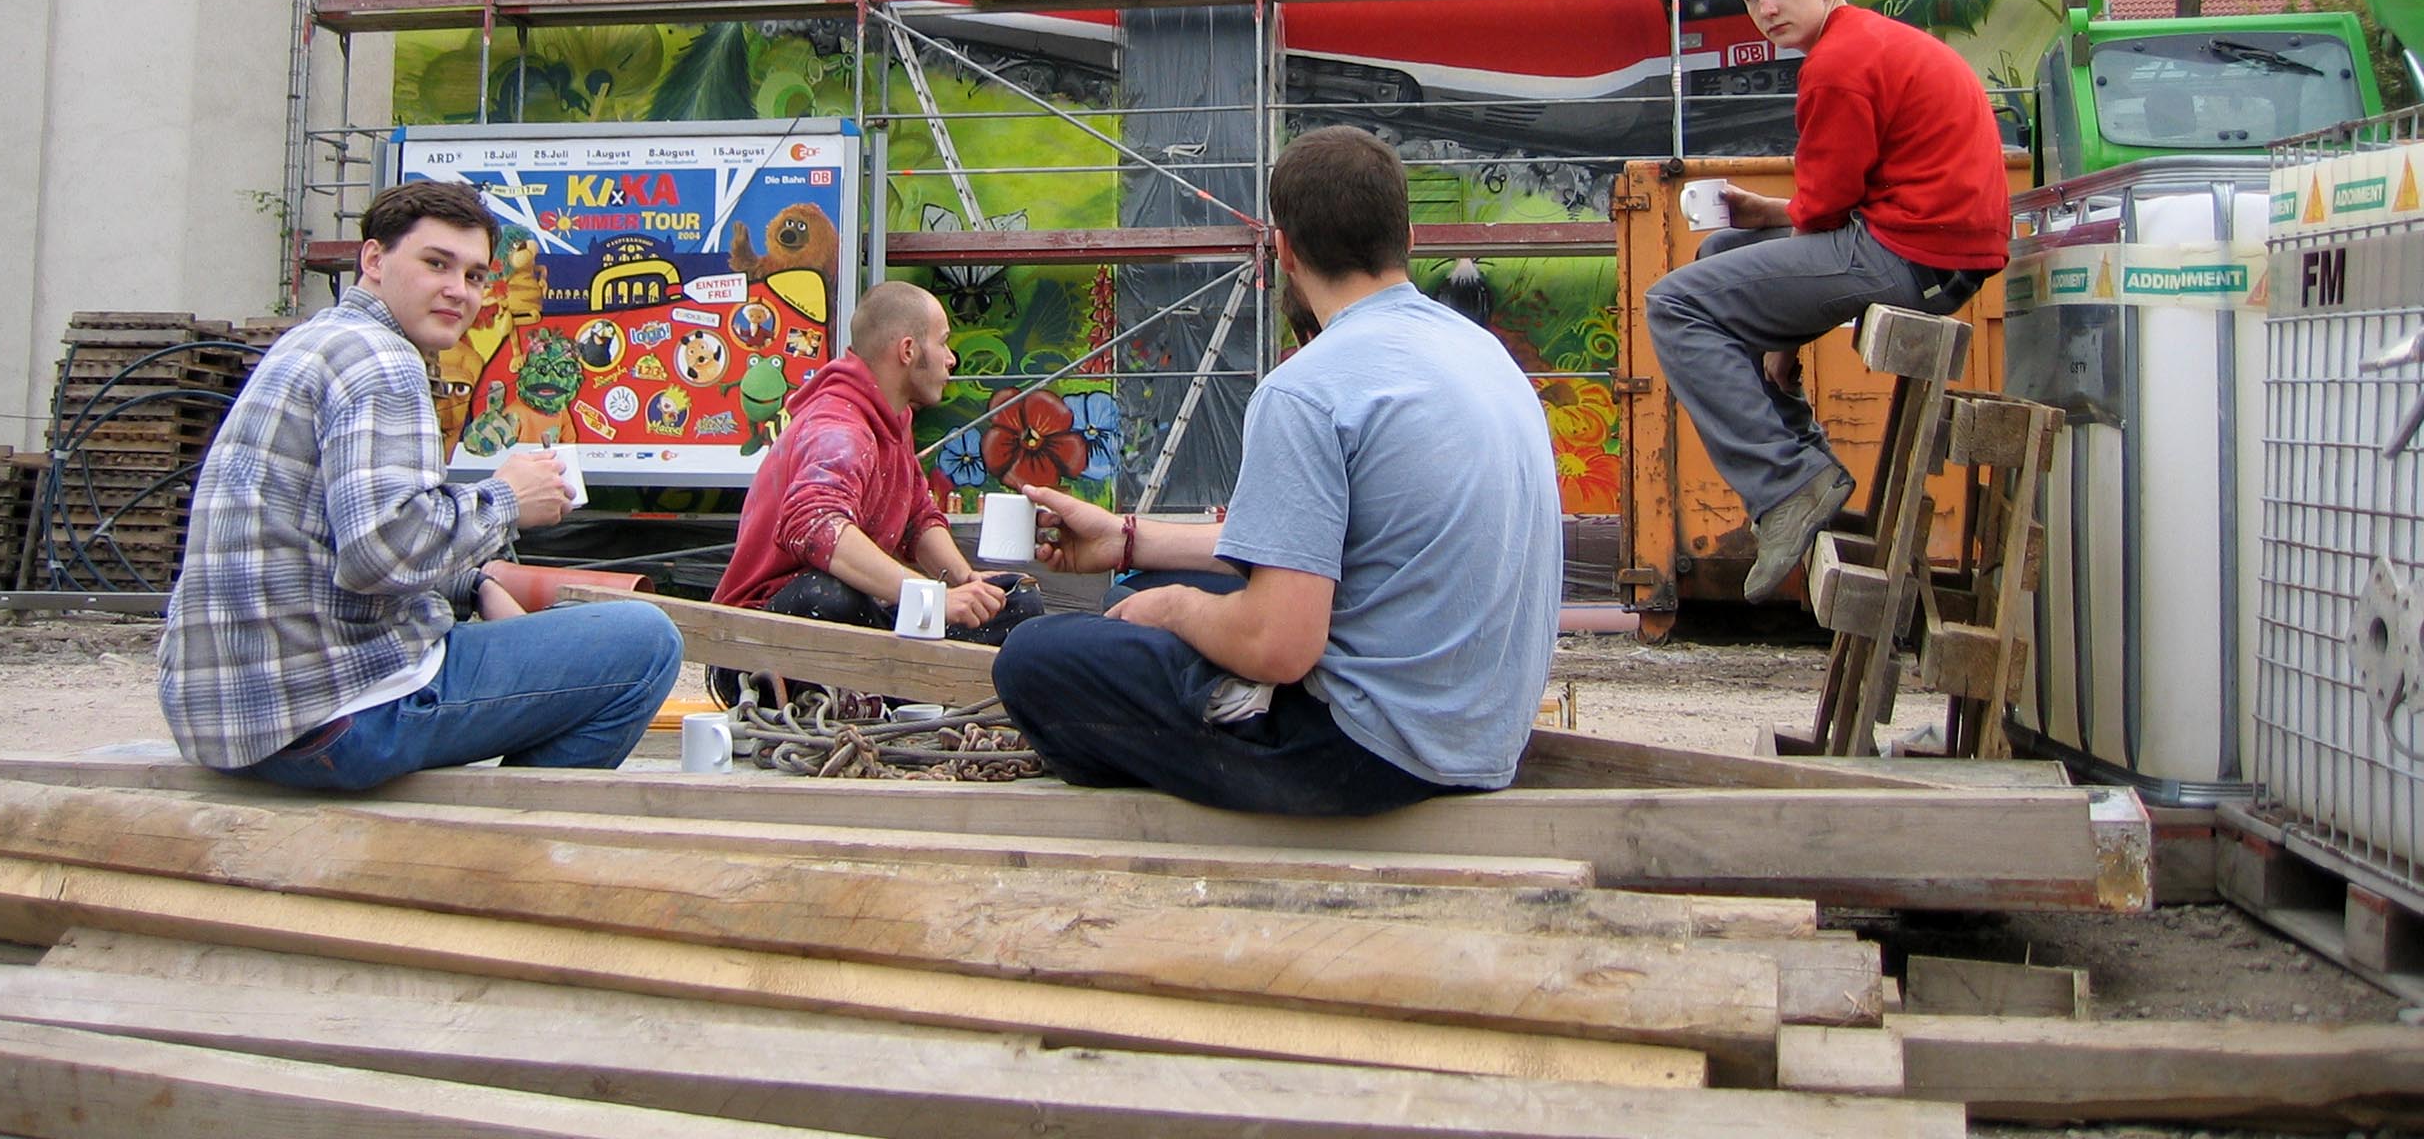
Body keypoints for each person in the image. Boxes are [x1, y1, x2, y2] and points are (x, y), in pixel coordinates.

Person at [992, 126, 1562, 816]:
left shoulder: (1307, 390)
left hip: (1367, 754)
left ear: (1284, 250)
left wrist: (1174, 610)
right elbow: (1324, 542)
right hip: (1479, 736)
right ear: (1408, 239)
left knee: (1032, 657)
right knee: (1142, 585)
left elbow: (1279, 645)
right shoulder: (1485, 356)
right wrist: (1129, 540)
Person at [158, 180, 684, 789]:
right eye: (437, 264)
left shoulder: (313, 343)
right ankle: (510, 834)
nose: (458, 290)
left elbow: (333, 541)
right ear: (374, 259)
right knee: (644, 642)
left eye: (476, 275)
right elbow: (381, 554)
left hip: (236, 720)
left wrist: (472, 583)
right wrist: (507, 499)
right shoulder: (383, 360)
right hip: (336, 719)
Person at [1645, 0, 2011, 603]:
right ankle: (1802, 452)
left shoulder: (1838, 66)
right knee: (1722, 247)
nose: (1766, 9)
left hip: (1915, 257)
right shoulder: (1867, 41)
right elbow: (1834, 203)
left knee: (1674, 303)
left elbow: (1825, 215)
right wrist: (1766, 215)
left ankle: (1788, 484)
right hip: (1930, 247)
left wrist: (1784, 334)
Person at [715, 280, 1041, 655]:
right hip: (759, 634)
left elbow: (918, 517)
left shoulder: (892, 418)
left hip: (862, 613)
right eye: (943, 342)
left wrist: (965, 581)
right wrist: (931, 598)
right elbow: (816, 525)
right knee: (832, 595)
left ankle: (906, 682)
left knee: (1016, 599)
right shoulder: (838, 426)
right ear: (908, 350)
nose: (951, 358)